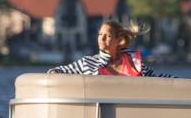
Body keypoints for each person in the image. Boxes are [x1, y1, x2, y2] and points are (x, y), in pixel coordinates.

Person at [48, 20, 176, 77]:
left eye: (107, 36)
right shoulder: (87, 62)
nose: (101, 39)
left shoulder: (133, 62)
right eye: (100, 35)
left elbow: (157, 78)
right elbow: (58, 70)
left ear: (118, 40)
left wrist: (182, 83)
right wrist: (54, 73)